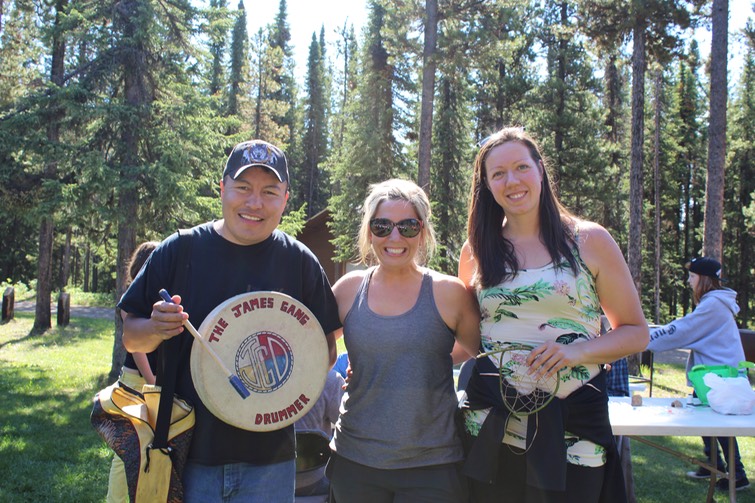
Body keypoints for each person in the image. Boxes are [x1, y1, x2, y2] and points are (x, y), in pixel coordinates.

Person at [118, 139, 341, 502]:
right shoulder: (179, 250)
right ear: (222, 189)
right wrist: (156, 329)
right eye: (243, 188)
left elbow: (325, 353)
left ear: (285, 199)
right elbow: (132, 337)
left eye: (269, 191)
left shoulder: (299, 262)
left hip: (271, 462)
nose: (255, 203)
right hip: (187, 452)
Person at [458, 127, 648, 502]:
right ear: (487, 185)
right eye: (498, 173)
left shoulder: (589, 240)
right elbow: (470, 341)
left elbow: (636, 332)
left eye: (521, 167)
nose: (512, 181)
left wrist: (576, 352)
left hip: (573, 427)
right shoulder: (477, 249)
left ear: (540, 170)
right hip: (491, 426)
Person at [328, 179, 481, 503]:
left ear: (423, 231)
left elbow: (480, 350)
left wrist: (428, 357)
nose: (394, 237)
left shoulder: (449, 293)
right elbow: (310, 349)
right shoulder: (347, 290)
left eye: (407, 227)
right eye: (382, 226)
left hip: (433, 466)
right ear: (369, 232)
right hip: (356, 461)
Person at [646, 256, 749, 491]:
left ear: (703, 279)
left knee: (720, 426)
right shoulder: (714, 302)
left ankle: (737, 475)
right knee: (707, 420)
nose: (688, 281)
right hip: (714, 373)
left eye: (692, 277)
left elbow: (682, 329)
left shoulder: (712, 305)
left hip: (720, 376)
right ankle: (712, 463)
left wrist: (643, 339)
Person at [107, 241, 159, 503]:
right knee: (127, 448)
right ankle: (115, 499)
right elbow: (137, 350)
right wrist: (152, 382)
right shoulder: (131, 297)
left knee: (152, 448)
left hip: (154, 381)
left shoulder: (158, 297)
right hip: (136, 381)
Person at [294, 368, 346, 497]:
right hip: (314, 481)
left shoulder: (249, 383)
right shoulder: (330, 380)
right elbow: (348, 429)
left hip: (263, 481)